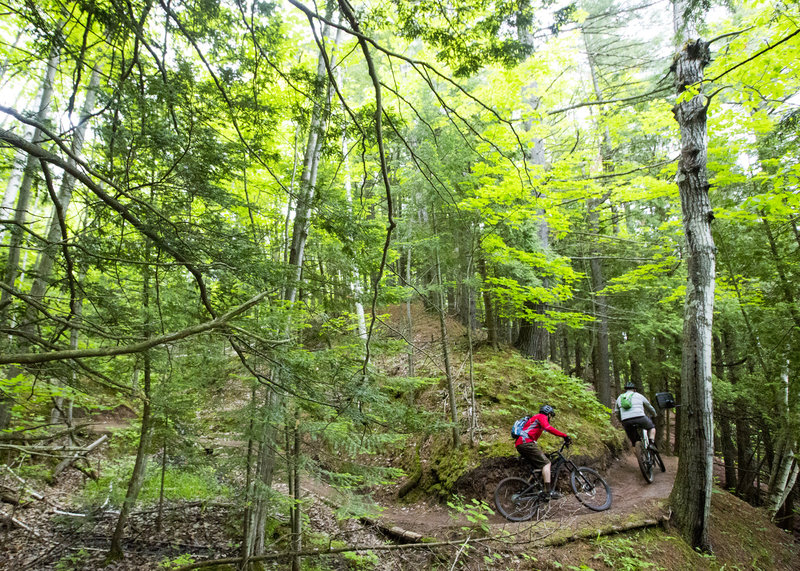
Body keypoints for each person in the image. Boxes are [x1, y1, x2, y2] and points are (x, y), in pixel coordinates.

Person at [514, 404, 571, 499]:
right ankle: (548, 492)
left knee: (539, 468)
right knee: (546, 464)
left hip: (522, 444)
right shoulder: (541, 416)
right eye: (550, 415)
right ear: (548, 414)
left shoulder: (535, 418)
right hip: (526, 443)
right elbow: (548, 428)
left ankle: (526, 489)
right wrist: (564, 436)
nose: (550, 418)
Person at [613, 381, 658, 450]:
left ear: (625, 390)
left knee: (634, 442)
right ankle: (651, 443)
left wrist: (621, 420)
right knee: (652, 428)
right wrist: (654, 414)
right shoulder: (639, 395)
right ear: (634, 389)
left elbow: (616, 412)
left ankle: (639, 457)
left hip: (626, 421)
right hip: (640, 417)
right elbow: (649, 406)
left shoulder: (620, 398)